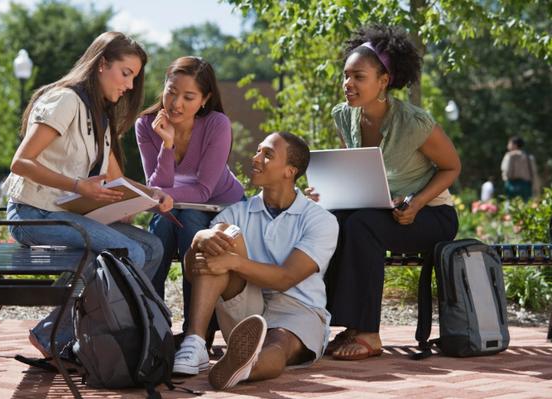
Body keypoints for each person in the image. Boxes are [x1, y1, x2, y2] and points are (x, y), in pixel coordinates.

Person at [1, 32, 172, 357]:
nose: (131, 85)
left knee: (152, 247)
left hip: (66, 215)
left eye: (134, 77)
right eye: (126, 73)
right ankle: (56, 336)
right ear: (102, 64)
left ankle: (98, 333)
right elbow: (21, 162)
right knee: (129, 254)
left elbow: (115, 179)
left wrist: (151, 195)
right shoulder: (65, 100)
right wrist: (78, 186)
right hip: (32, 215)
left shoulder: (100, 114)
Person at [307, 24, 461, 361]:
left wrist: (417, 202)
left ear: (384, 81)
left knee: (361, 226)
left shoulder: (415, 122)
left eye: (358, 77)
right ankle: (344, 324)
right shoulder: (344, 117)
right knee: (332, 221)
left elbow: (452, 167)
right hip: (381, 211)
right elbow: (356, 170)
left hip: (431, 215)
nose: (348, 84)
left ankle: (369, 335)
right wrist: (326, 192)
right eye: (346, 76)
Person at [171, 132, 339, 389]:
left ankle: (246, 366)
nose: (256, 158)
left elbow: (285, 278)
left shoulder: (320, 220)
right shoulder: (236, 213)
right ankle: (195, 342)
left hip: (298, 307)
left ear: (289, 171)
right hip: (248, 302)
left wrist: (233, 262)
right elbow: (196, 273)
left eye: (267, 154)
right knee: (221, 236)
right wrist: (199, 240)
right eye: (258, 151)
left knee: (279, 343)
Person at [135, 56, 244, 334]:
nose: (176, 103)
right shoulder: (147, 125)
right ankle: (153, 326)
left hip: (220, 204)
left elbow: (203, 191)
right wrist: (167, 144)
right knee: (160, 228)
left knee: (192, 227)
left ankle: (197, 331)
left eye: (188, 96)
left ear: (205, 99)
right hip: (176, 205)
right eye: (171, 92)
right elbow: (157, 185)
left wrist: (160, 195)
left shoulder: (217, 124)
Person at [500, 136, 540, 201]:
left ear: (515, 145)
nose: (508, 145)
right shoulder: (528, 157)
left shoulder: (509, 155)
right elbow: (534, 173)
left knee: (510, 206)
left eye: (509, 143)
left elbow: (506, 171)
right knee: (526, 206)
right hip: (526, 185)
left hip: (511, 185)